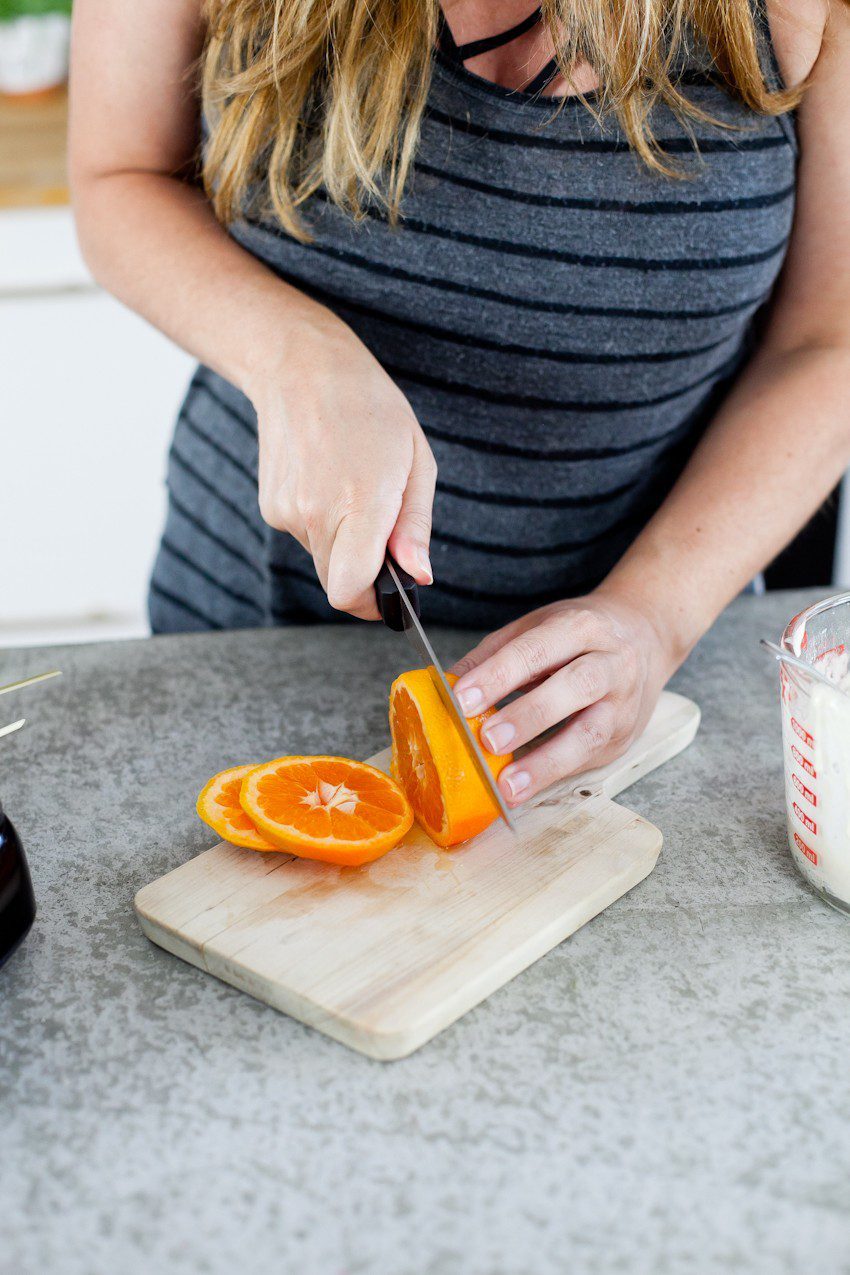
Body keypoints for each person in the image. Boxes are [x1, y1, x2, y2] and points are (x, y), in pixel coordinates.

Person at [70, 0, 850, 806]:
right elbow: (116, 176)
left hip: (636, 689)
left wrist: (652, 619)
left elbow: (830, 341)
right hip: (250, 634)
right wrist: (293, 353)